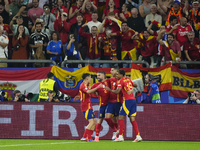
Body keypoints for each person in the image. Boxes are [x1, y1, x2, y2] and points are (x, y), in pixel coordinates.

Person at [105, 69, 142, 142]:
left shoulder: (121, 81)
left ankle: (121, 136)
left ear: (121, 75)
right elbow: (135, 85)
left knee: (120, 117)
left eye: (117, 74)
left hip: (127, 100)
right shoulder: (128, 80)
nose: (116, 75)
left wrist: (110, 90)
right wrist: (131, 89)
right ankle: (138, 136)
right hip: (133, 100)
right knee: (132, 119)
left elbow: (118, 91)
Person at [74, 73, 101, 142]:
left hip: (89, 105)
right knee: (91, 122)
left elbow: (85, 92)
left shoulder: (86, 85)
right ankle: (84, 137)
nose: (91, 79)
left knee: (94, 121)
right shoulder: (83, 85)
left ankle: (89, 137)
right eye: (90, 77)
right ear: (87, 78)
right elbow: (88, 91)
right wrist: (97, 87)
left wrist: (80, 96)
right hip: (85, 106)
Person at [104, 66, 123, 140]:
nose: (110, 71)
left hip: (119, 101)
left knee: (118, 119)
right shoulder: (110, 80)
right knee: (107, 117)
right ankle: (115, 130)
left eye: (112, 70)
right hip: (111, 102)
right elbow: (105, 87)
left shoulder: (121, 80)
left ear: (116, 71)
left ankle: (120, 135)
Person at [91, 71, 110, 142]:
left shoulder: (109, 82)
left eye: (99, 75)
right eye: (97, 75)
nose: (97, 76)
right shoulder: (96, 85)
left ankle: (115, 133)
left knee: (110, 118)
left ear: (104, 76)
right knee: (100, 121)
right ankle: (96, 137)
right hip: (102, 105)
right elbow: (90, 90)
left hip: (110, 104)